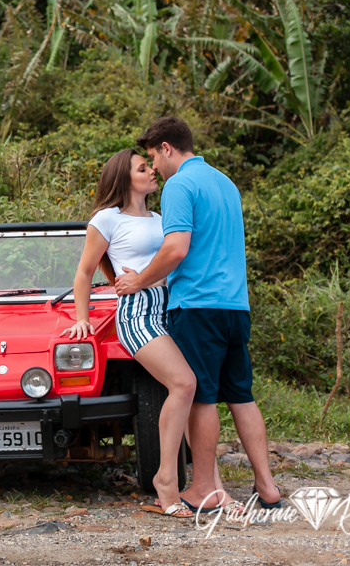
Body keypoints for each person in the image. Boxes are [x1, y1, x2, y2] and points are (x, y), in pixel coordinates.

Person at [113, 117, 282, 512]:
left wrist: (140, 281)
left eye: (154, 156)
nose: (154, 166)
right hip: (236, 306)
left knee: (202, 398)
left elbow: (176, 249)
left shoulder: (180, 185)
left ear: (167, 147)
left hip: (198, 305)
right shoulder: (225, 183)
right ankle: (268, 486)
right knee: (241, 395)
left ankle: (204, 488)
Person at [65, 149, 197, 517]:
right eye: (143, 168)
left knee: (194, 389)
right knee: (184, 384)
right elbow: (84, 272)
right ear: (125, 179)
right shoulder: (107, 219)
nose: (152, 171)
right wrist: (82, 317)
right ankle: (166, 482)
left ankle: (204, 479)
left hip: (170, 307)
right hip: (138, 313)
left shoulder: (160, 216)